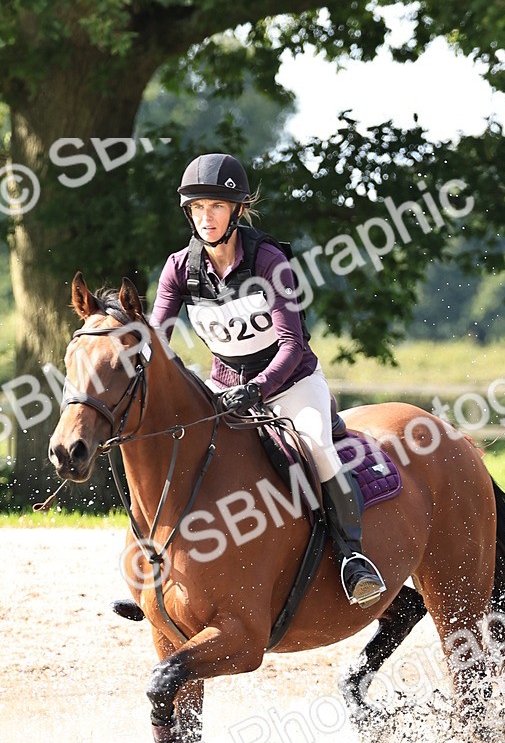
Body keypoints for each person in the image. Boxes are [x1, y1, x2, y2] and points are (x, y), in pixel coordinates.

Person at [150, 151, 386, 609]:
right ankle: (163, 569)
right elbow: (158, 339)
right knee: (176, 450)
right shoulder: (180, 268)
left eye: (216, 206)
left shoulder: (269, 260)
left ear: (237, 210)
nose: (207, 217)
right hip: (224, 387)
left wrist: (257, 390)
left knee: (317, 445)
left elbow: (292, 345)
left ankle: (353, 558)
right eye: (198, 208)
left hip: (291, 383)